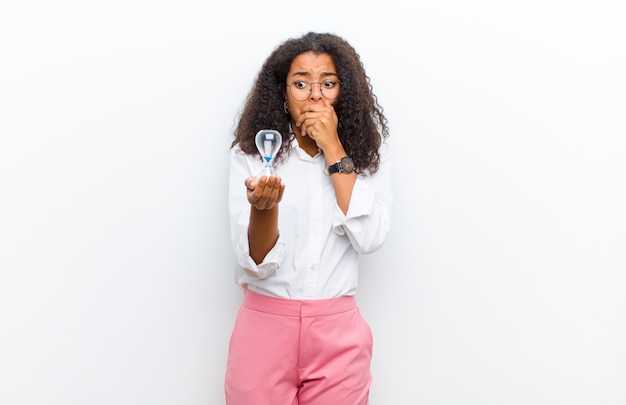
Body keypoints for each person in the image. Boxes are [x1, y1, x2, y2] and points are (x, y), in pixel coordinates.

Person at [225, 32, 392, 405]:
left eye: (328, 83)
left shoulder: (366, 157)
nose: (315, 94)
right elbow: (253, 262)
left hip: (339, 335)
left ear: (343, 92)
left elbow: (370, 238)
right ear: (282, 93)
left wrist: (333, 147)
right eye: (301, 83)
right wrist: (263, 209)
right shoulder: (254, 154)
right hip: (264, 328)